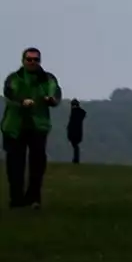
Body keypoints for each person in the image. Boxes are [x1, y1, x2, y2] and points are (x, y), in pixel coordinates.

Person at [3, 47, 62, 210]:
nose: (32, 62)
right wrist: (22, 101)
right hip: (14, 126)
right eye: (29, 59)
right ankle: (16, 199)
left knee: (38, 164)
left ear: (40, 61)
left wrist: (51, 99)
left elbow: (55, 92)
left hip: (38, 126)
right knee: (15, 165)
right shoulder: (14, 78)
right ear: (23, 61)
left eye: (35, 60)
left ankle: (33, 198)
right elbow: (10, 93)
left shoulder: (47, 78)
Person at [66, 99, 87, 165]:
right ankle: (76, 158)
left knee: (75, 145)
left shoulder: (74, 112)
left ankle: (76, 159)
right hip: (78, 132)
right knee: (75, 145)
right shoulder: (80, 113)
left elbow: (71, 122)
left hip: (74, 132)